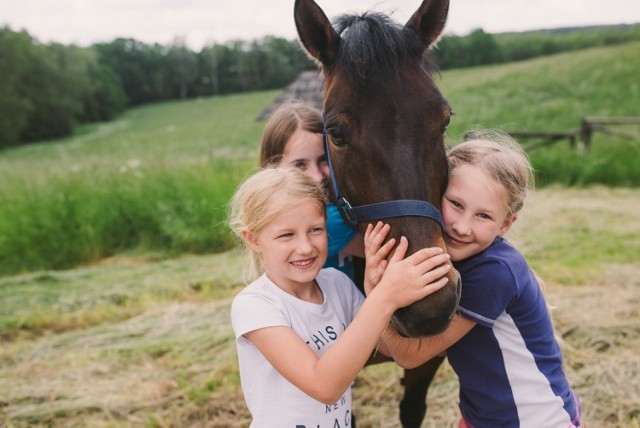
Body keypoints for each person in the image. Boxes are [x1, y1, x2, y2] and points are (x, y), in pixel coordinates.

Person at [366, 132, 584, 427]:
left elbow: (410, 356)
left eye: (483, 216)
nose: (462, 226)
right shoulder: (464, 259)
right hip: (481, 417)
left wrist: (375, 293)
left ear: (506, 223)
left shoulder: (494, 272)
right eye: (456, 204)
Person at [228, 166, 451, 426]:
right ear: (253, 239)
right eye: (286, 235)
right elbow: (324, 387)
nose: (305, 247)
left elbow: (396, 351)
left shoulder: (337, 285)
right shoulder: (256, 305)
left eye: (316, 230)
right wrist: (383, 299)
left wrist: (375, 290)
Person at [259, 100, 363, 280]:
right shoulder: (326, 220)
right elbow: (381, 253)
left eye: (324, 160)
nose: (317, 176)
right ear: (273, 167)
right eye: (300, 165)